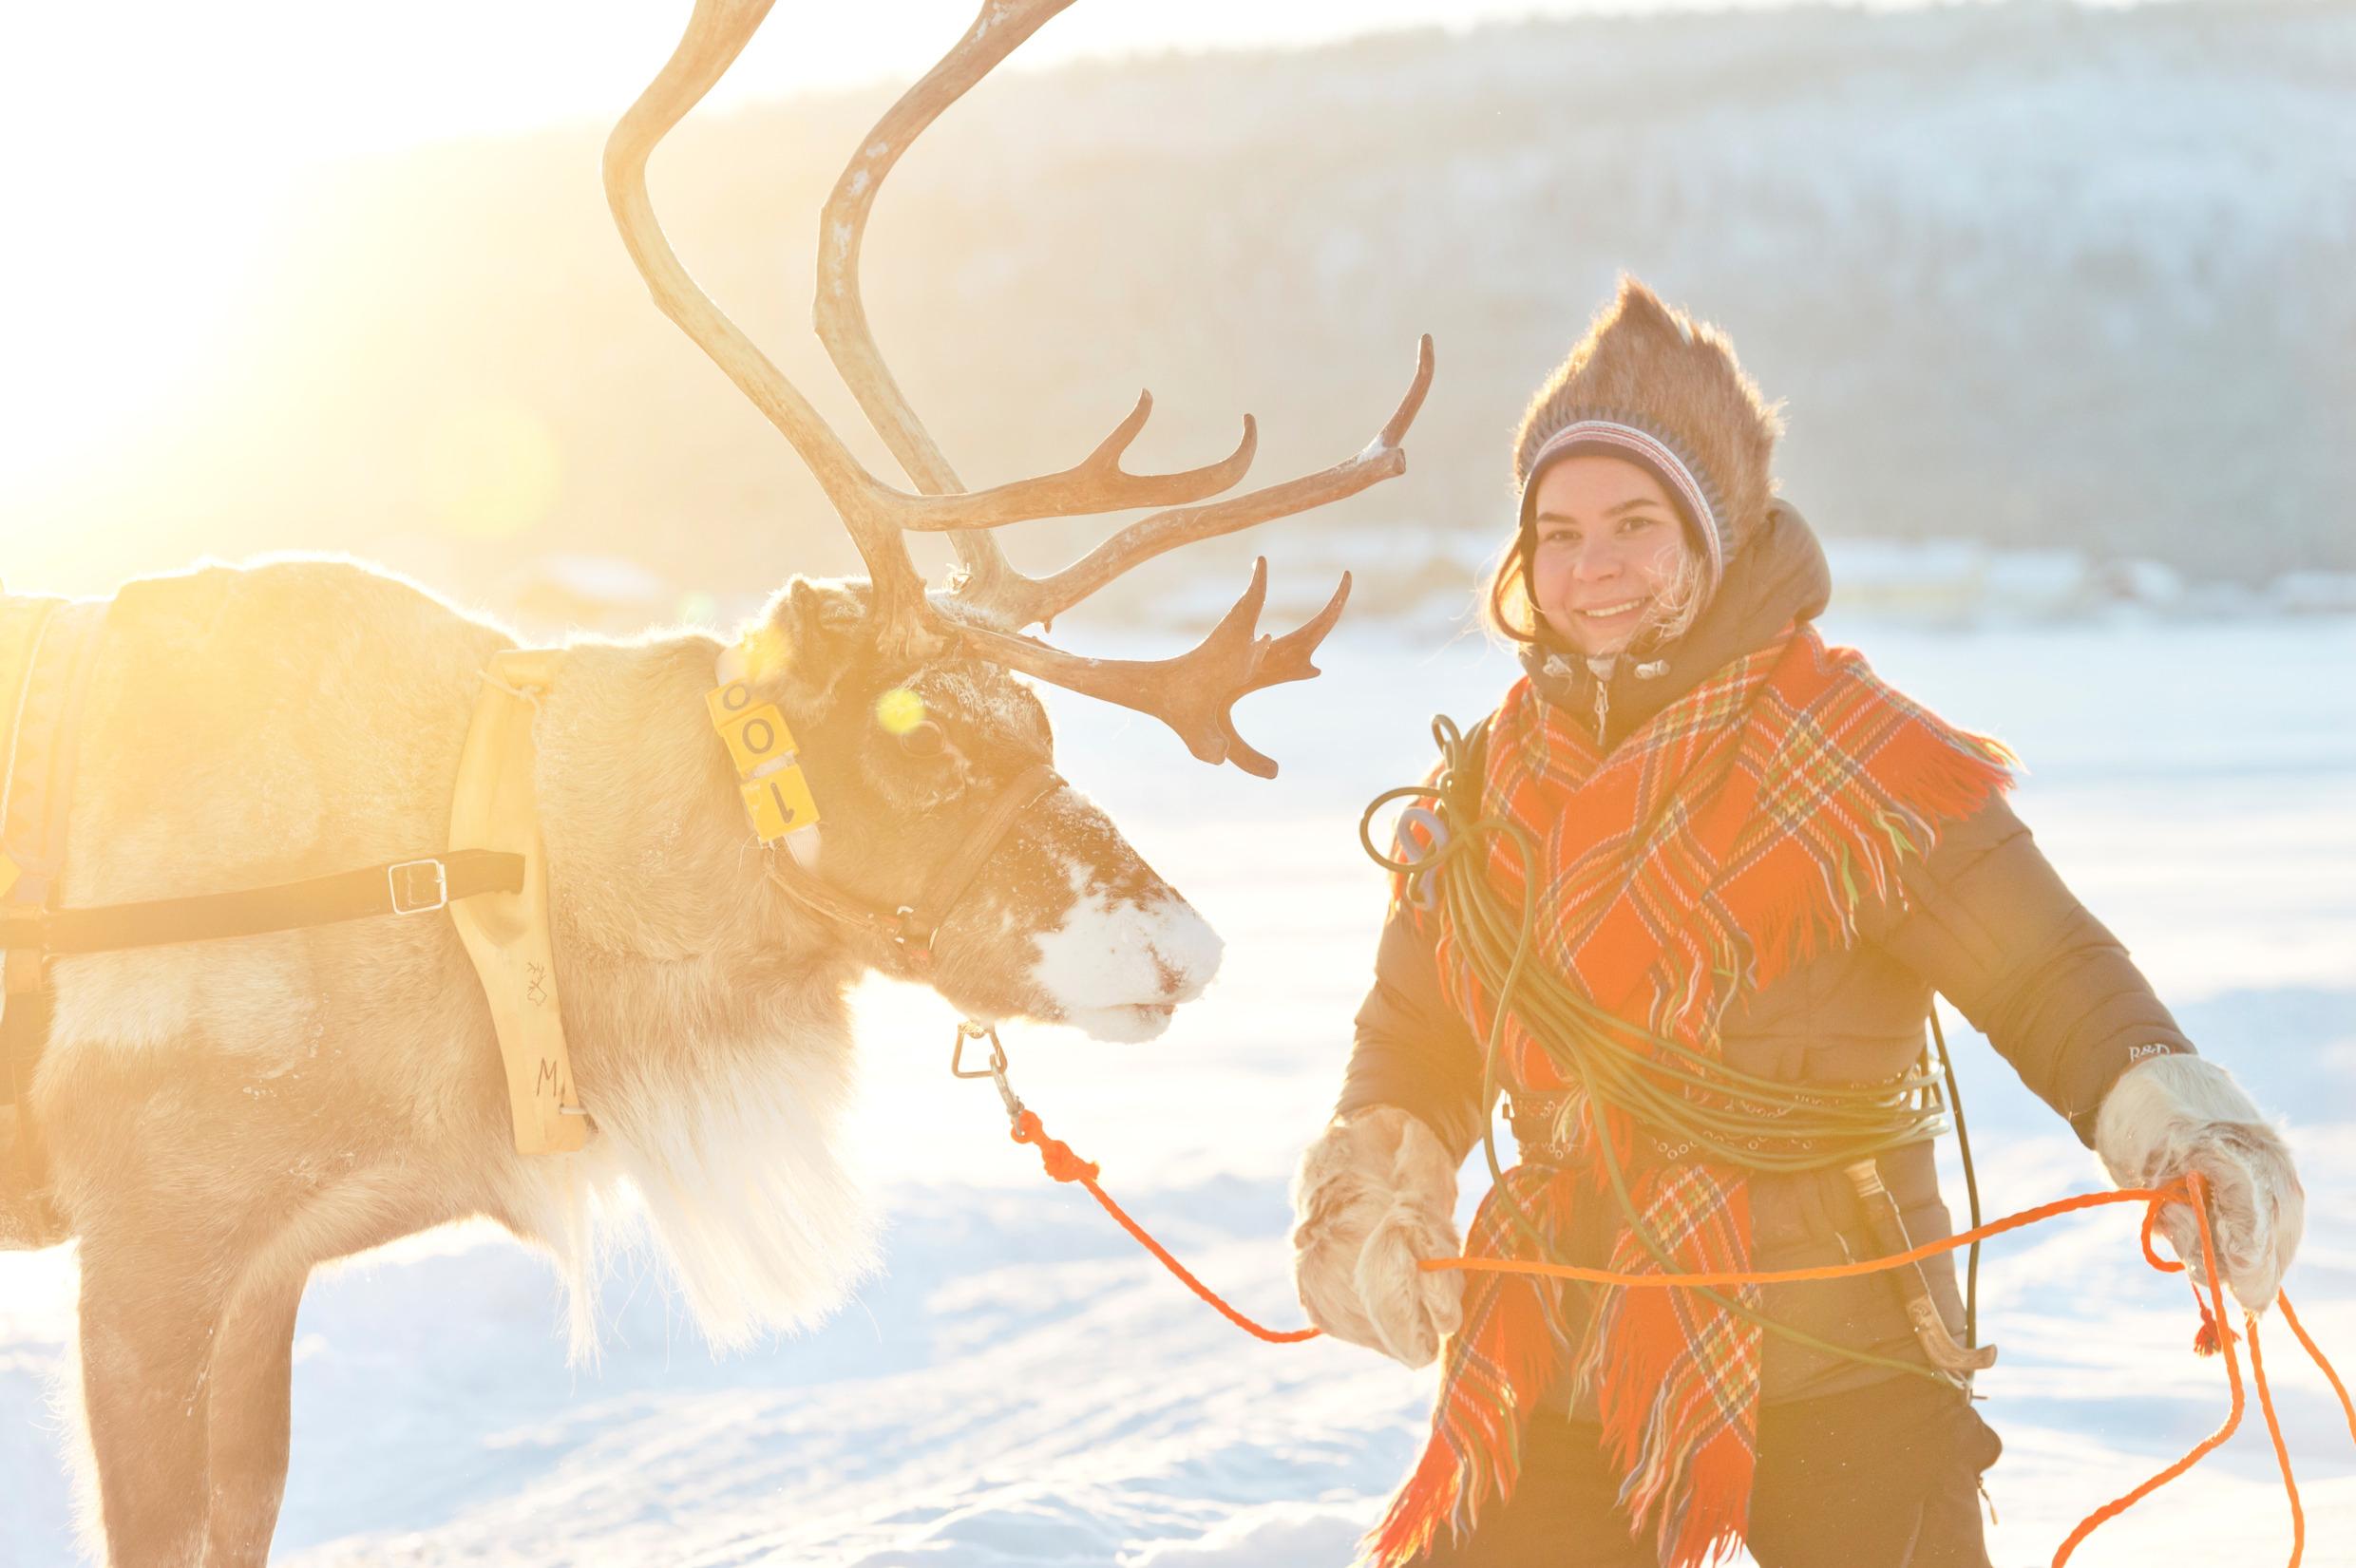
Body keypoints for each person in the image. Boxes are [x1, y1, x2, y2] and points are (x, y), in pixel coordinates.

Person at [1289, 277, 2306, 1568]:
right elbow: (1421, 1032)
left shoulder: (1859, 762)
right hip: (1559, 1336)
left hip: (1846, 1359)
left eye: (1634, 523)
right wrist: (1380, 1188)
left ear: (1715, 534)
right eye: (1557, 531)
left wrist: (2184, 1132)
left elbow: (2049, 975)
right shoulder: (1488, 785)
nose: (1590, 565)